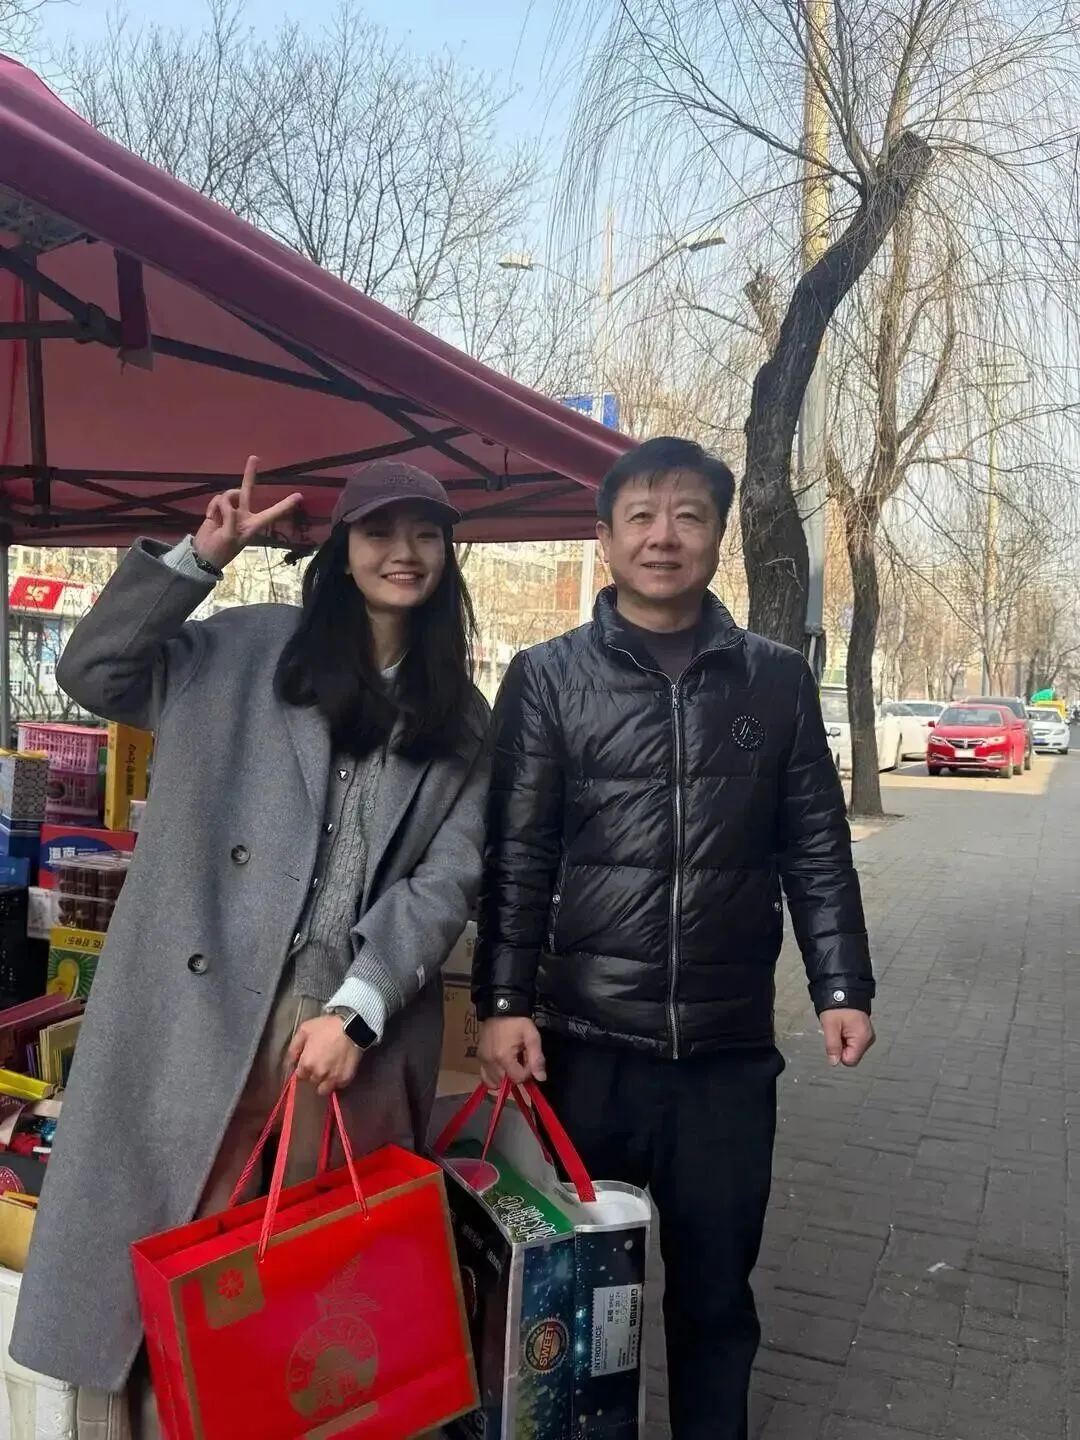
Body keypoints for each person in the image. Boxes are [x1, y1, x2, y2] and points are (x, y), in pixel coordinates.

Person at [11, 458, 490, 1440]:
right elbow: (93, 673)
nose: (403, 553)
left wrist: (358, 1008)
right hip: (195, 1004)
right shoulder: (245, 647)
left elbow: (448, 878)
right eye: (379, 532)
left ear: (448, 555)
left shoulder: (461, 715)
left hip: (346, 1027)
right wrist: (199, 559)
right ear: (341, 551)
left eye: (426, 535)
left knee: (303, 1275)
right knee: (163, 1243)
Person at [473, 436, 875, 1440]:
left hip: (725, 1056)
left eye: (689, 515)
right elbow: (517, 854)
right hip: (583, 1050)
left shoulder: (774, 681)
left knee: (715, 1294)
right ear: (605, 538)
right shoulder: (547, 677)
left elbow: (815, 846)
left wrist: (841, 985)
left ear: (718, 536)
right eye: (642, 516)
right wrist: (501, 1003)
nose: (665, 536)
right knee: (570, 1297)